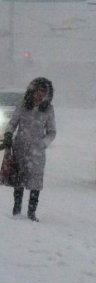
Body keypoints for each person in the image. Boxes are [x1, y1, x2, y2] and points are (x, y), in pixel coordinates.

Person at [3, 77, 56, 222]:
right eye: (38, 91)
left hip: (37, 153)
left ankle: (31, 213)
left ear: (48, 94)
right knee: (19, 181)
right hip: (20, 149)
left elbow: (52, 132)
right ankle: (17, 210)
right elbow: (13, 123)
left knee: (35, 183)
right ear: (32, 91)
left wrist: (42, 144)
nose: (40, 95)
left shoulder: (48, 110)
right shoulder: (23, 105)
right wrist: (8, 134)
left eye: (43, 92)